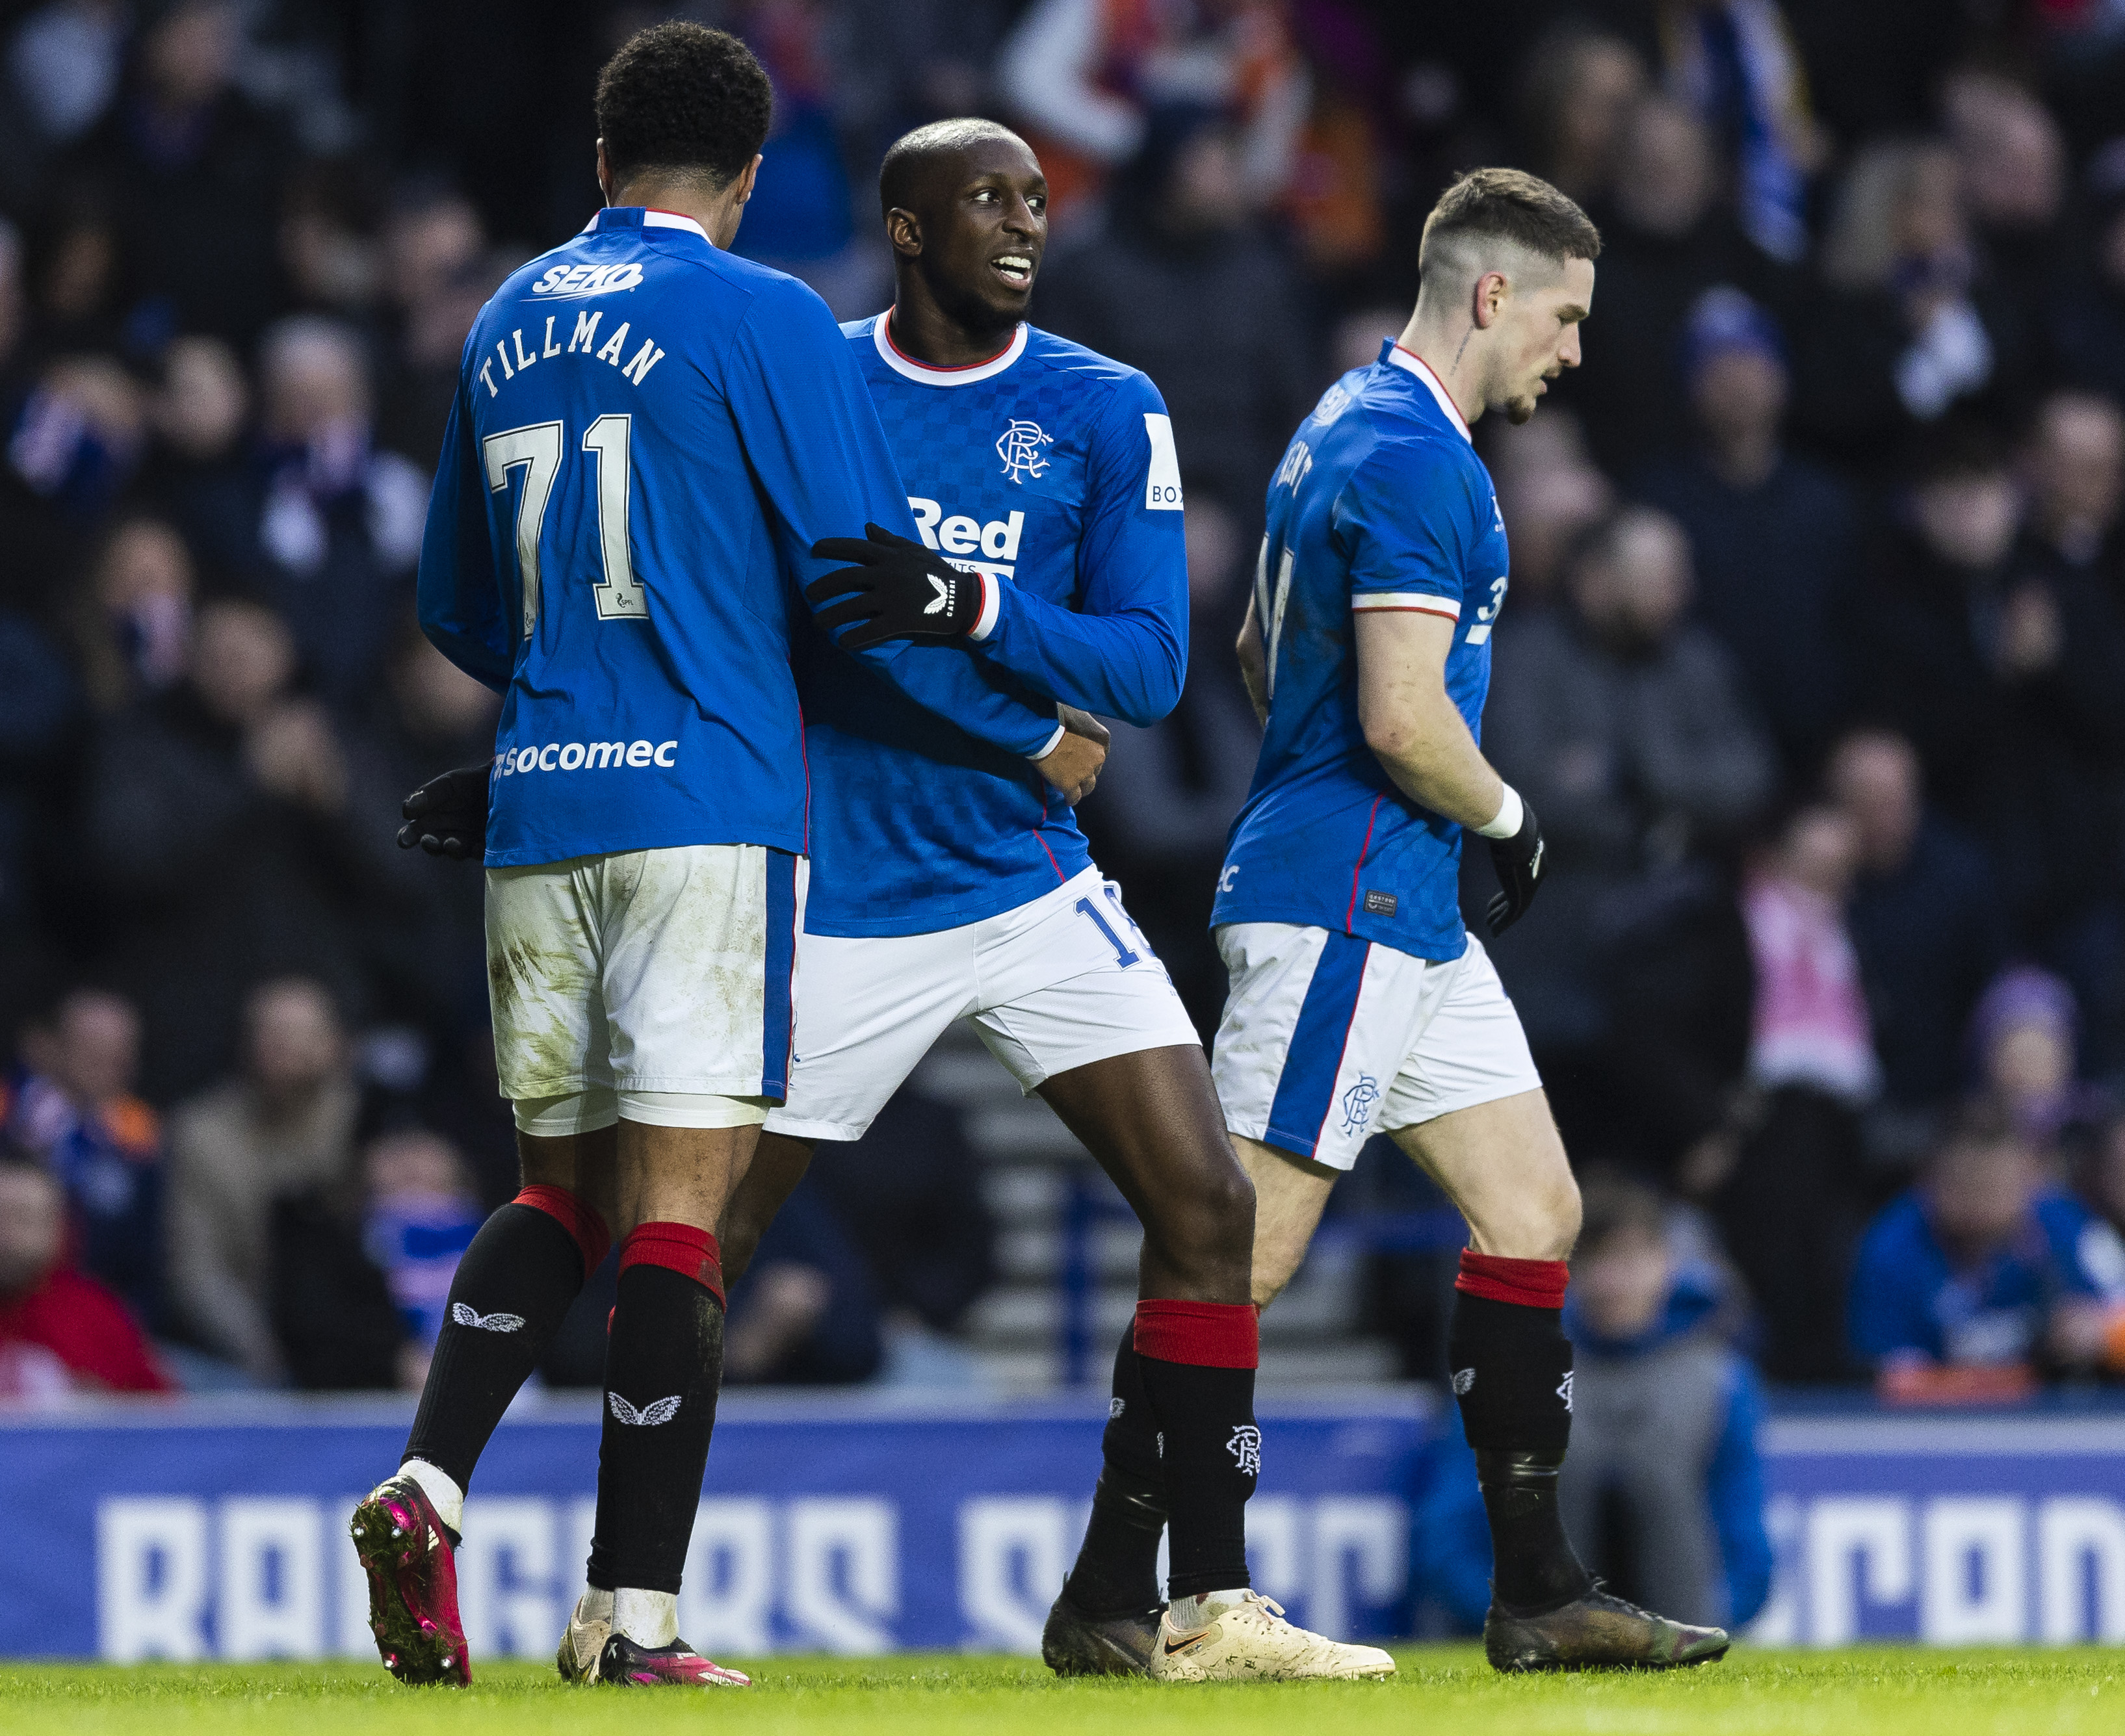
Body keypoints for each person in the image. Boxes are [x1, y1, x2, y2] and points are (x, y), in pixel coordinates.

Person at [366, 25, 1103, 1693]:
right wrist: (1028, 734)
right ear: (754, 174)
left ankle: (427, 1479)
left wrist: (572, 699)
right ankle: (633, 1619)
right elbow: (862, 579)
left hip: (544, 798)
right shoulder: (764, 313)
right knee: (681, 1221)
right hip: (707, 807)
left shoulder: (500, 317)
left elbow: (457, 606)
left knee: (559, 1191)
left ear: (600, 159)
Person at [701, 119, 1388, 1684]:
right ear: (904, 224)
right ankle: (632, 1596)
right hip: (844, 889)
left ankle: (1187, 1599)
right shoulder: (818, 382)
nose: (1023, 224)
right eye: (988, 201)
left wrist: (972, 600)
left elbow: (1145, 666)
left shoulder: (1102, 405)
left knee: (1207, 1206)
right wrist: (1015, 693)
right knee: (703, 1242)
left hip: (1025, 880)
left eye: (1036, 200)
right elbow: (800, 637)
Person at [1208, 166, 1728, 1672]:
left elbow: (1260, 647)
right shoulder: (1427, 462)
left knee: (1536, 1210)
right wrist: (1509, 813)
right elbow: (1400, 712)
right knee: (1241, 1252)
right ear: (1492, 293)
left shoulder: (1337, 421)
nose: (1574, 352)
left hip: (1401, 901)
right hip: (1354, 893)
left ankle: (1540, 1589)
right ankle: (1145, 1580)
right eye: (1564, 317)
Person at [1850, 1101, 2125, 1399]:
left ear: (2028, 1180)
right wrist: (2014, 1379)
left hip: (2049, 1424)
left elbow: (2118, 1319)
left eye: (1995, 1185)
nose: (1981, 1203)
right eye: (1966, 1185)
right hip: (1935, 1427)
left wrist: (2098, 1333)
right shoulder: (1890, 1246)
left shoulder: (2072, 1227)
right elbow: (1891, 1377)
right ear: (1931, 1180)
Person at [164, 974, 359, 1379]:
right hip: (248, 1351)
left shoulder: (367, 1125)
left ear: (337, 1045)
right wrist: (264, 1351)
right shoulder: (201, 1133)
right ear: (245, 1045)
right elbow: (198, 1273)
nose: (286, 1046)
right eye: (271, 1032)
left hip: (358, 1342)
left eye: (302, 1033)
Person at [0, 1143, 169, 1400]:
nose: (9, 1235)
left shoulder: (98, 1314)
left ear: (59, 1228)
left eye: (24, 1218)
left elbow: (162, 1419)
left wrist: (103, 1407)